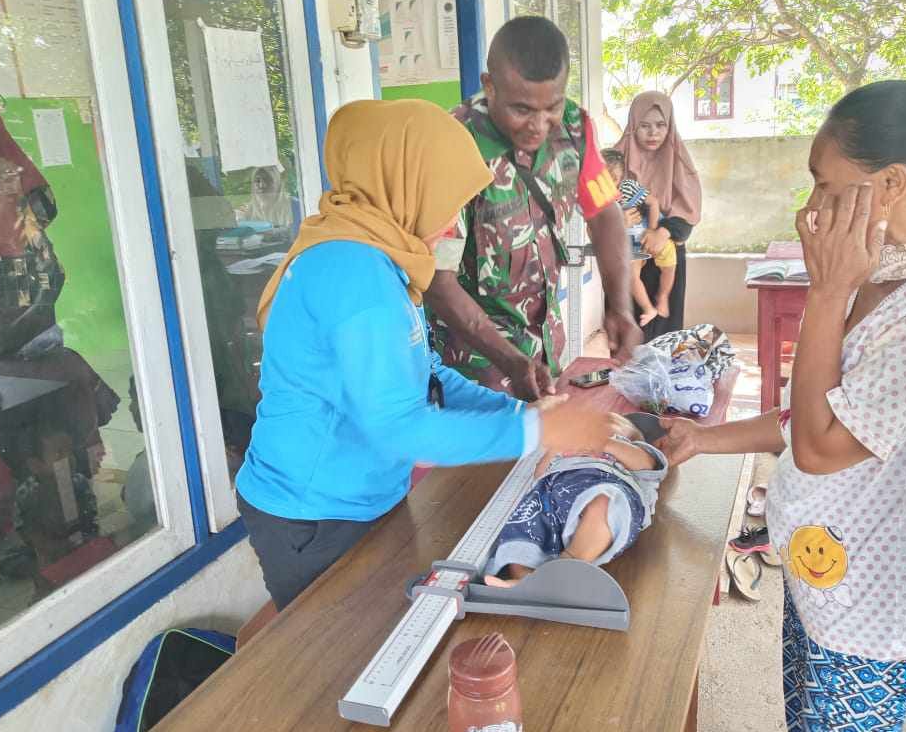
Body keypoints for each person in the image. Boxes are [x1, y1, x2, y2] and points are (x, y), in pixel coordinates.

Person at [657, 70, 906, 732]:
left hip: (877, 605)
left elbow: (820, 447)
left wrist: (826, 294)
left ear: (892, 184)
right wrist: (703, 439)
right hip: (828, 575)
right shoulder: (883, 271)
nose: (810, 209)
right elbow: (821, 412)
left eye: (825, 185)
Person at [235, 100, 623, 611]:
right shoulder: (352, 272)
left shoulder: (384, 257)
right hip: (312, 513)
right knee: (337, 646)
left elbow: (427, 376)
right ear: (406, 184)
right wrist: (536, 430)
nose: (451, 224)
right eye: (446, 201)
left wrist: (520, 412)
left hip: (361, 495)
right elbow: (398, 427)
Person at [425, 17, 640, 402]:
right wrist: (509, 359)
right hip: (474, 365)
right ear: (489, 85)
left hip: (546, 346)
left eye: (551, 107)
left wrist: (619, 305)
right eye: (522, 109)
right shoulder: (452, 145)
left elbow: (604, 212)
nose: (539, 126)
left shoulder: (574, 127)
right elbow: (437, 281)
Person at [484, 413, 667, 587]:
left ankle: (569, 564)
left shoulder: (629, 453)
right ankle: (523, 579)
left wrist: (605, 443)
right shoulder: (567, 449)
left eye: (606, 422)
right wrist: (556, 448)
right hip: (553, 497)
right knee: (524, 523)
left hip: (603, 487)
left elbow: (647, 464)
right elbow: (539, 474)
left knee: (606, 502)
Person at [613, 91, 703, 339]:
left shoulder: (680, 162)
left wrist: (662, 232)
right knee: (627, 333)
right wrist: (616, 221)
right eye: (644, 125)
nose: (653, 133)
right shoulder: (613, 162)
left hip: (666, 254)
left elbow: (689, 211)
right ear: (633, 125)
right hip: (626, 254)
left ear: (670, 126)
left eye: (661, 125)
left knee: (665, 334)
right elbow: (594, 208)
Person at [603, 148, 676, 326]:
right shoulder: (599, 196)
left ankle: (663, 297)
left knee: (669, 264)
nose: (610, 183)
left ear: (621, 177)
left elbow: (653, 203)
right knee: (631, 277)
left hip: (643, 234)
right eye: (605, 178)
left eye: (614, 178)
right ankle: (648, 309)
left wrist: (651, 230)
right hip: (626, 241)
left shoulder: (628, 187)